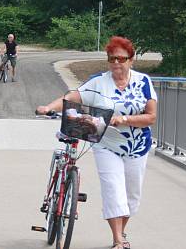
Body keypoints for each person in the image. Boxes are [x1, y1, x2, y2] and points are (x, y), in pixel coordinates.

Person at [36, 36, 157, 249]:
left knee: (131, 197)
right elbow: (72, 97)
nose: (116, 63)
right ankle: (119, 240)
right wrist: (48, 107)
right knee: (113, 189)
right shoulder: (98, 81)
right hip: (105, 143)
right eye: (112, 59)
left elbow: (151, 117)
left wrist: (125, 120)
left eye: (121, 58)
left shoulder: (143, 82)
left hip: (137, 146)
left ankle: (120, 233)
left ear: (131, 60)